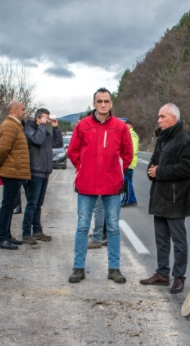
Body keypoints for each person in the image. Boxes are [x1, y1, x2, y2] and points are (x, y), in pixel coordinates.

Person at [67, 87, 133, 284]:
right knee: (82, 226)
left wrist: (117, 171)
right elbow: (73, 152)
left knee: (113, 227)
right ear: (94, 103)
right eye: (99, 101)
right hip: (86, 185)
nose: (103, 104)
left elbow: (127, 154)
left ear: (111, 104)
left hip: (112, 185)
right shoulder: (83, 126)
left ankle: (114, 269)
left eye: (106, 101)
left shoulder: (120, 128)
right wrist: (83, 169)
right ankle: (78, 268)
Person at [139, 103, 190, 294]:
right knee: (161, 240)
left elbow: (186, 168)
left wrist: (159, 172)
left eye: (162, 117)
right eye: (159, 116)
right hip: (159, 197)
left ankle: (178, 277)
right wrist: (152, 171)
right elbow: (153, 164)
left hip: (176, 199)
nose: (159, 120)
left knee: (179, 241)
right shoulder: (161, 139)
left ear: (173, 118)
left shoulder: (186, 141)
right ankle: (162, 273)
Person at [21, 108, 63, 244]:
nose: (47, 121)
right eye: (45, 118)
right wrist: (43, 126)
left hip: (44, 172)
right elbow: (37, 141)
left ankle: (37, 231)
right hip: (34, 171)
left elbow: (58, 144)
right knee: (32, 204)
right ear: (37, 118)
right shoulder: (29, 130)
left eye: (48, 119)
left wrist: (55, 128)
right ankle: (26, 233)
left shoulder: (44, 130)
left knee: (38, 204)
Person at [0, 101, 30, 250]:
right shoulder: (9, 126)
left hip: (15, 172)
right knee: (8, 205)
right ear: (14, 110)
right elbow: (3, 149)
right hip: (11, 172)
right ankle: (2, 238)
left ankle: (6, 235)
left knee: (10, 205)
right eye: (23, 109)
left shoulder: (16, 126)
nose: (25, 111)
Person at [121, 118, 139, 207]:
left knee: (127, 182)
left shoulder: (132, 135)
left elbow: (132, 150)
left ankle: (127, 200)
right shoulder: (127, 134)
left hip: (130, 162)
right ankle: (132, 199)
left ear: (130, 125)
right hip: (127, 162)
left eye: (125, 124)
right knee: (128, 182)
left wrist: (127, 161)